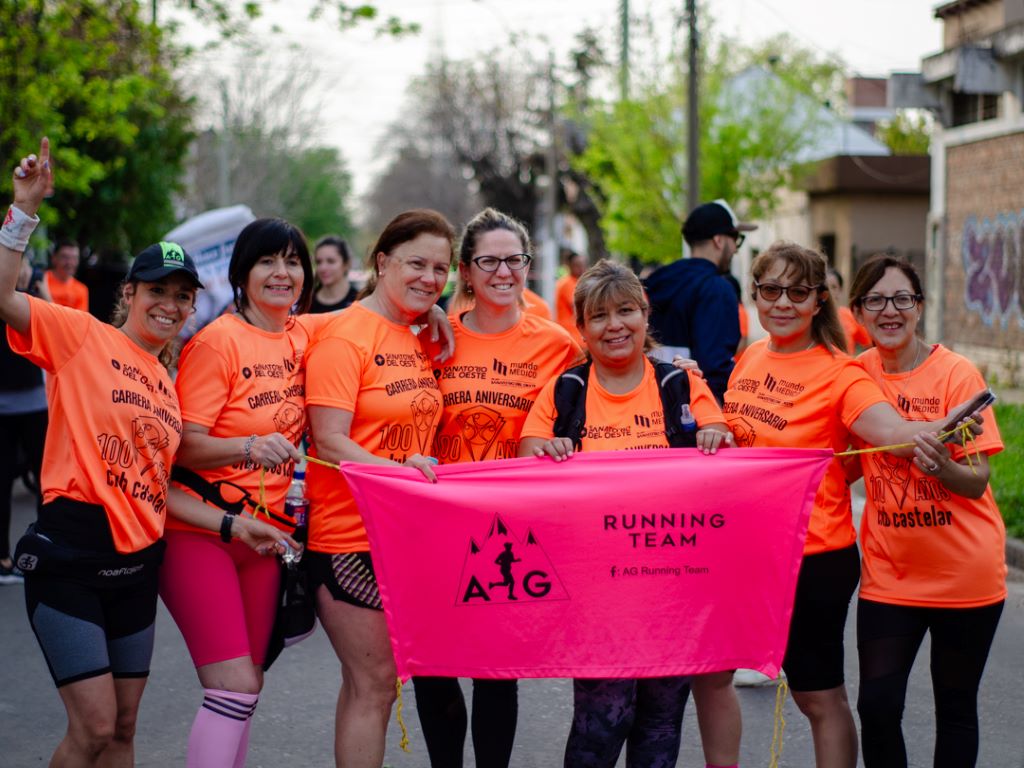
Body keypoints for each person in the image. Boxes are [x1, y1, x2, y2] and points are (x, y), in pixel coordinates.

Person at [723, 241, 984, 768]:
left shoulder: (842, 374)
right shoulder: (751, 355)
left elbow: (890, 430)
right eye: (771, 290)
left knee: (820, 698)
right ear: (754, 295)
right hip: (756, 554)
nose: (782, 302)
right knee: (777, 689)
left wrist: (942, 426)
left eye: (798, 291)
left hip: (814, 553)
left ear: (820, 300)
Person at [1, 138, 205, 765]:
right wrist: (22, 213)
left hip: (138, 564)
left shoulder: (169, 386)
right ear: (129, 293)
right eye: (156, 290)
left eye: (181, 295)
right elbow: (4, 298)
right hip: (71, 552)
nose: (168, 304)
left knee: (122, 731)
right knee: (91, 728)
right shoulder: (81, 336)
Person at [520, 259, 732, 768]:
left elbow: (722, 442)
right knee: (603, 720)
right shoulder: (566, 389)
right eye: (599, 317)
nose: (614, 326)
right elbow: (528, 450)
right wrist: (547, 450)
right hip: (596, 593)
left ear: (645, 314)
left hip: (672, 587)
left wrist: (713, 437)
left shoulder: (679, 385)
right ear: (583, 329)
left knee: (660, 723)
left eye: (626, 311)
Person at [413, 207, 580, 768]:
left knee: (494, 671)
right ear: (465, 270)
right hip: (436, 521)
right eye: (489, 260)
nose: (503, 271)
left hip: (510, 531)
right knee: (433, 663)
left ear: (528, 267)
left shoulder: (557, 345)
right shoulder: (435, 340)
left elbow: (591, 411)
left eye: (515, 260)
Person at [160, 218, 319, 768]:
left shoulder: (306, 335)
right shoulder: (217, 342)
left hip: (264, 539)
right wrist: (249, 446)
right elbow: (181, 449)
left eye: (292, 261)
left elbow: (372, 321)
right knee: (231, 683)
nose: (282, 273)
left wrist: (438, 311)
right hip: (199, 532)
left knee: (245, 688)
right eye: (266, 262)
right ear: (241, 274)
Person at [304, 209, 456, 768]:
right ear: (382, 260)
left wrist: (431, 310)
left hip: (404, 536)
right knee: (374, 683)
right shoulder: (346, 333)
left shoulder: (418, 331)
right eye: (416, 263)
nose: (429, 277)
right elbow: (328, 441)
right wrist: (403, 474)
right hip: (347, 537)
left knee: (371, 683)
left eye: (441, 268)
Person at [848, 254, 1005, 768]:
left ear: (919, 307)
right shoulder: (855, 377)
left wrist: (942, 469)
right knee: (877, 706)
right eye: (876, 300)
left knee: (955, 709)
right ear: (858, 311)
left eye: (902, 299)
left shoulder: (957, 374)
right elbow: (840, 461)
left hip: (966, 576)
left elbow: (977, 481)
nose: (889, 310)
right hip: (890, 577)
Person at [645, 199, 757, 403]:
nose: (736, 249)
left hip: (652, 402)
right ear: (719, 240)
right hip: (696, 409)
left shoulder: (656, 280)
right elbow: (716, 366)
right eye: (736, 239)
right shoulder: (717, 288)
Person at [0, 253, 48, 584]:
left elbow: (63, 319)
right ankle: (2, 558)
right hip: (2, 407)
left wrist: (38, 287)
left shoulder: (34, 295)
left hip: (35, 404)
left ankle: (45, 548)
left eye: (24, 264)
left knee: (48, 483)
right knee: (1, 483)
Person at [826, 267, 870, 355]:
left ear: (840, 291)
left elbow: (868, 343)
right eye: (826, 287)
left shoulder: (851, 316)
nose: (830, 292)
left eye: (834, 287)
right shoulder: (810, 318)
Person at [310, 235, 358, 314]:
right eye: (318, 262)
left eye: (331, 261)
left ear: (346, 264)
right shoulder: (306, 302)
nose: (323, 268)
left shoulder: (359, 300)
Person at [45, 237, 89, 312]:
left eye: (74, 258)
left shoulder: (81, 289)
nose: (70, 263)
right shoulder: (42, 279)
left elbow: (80, 320)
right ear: (54, 258)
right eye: (65, 257)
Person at [555, 248, 586, 341]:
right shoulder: (567, 283)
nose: (581, 268)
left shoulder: (576, 282)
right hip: (572, 335)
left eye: (583, 265)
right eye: (577, 265)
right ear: (569, 266)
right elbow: (579, 307)